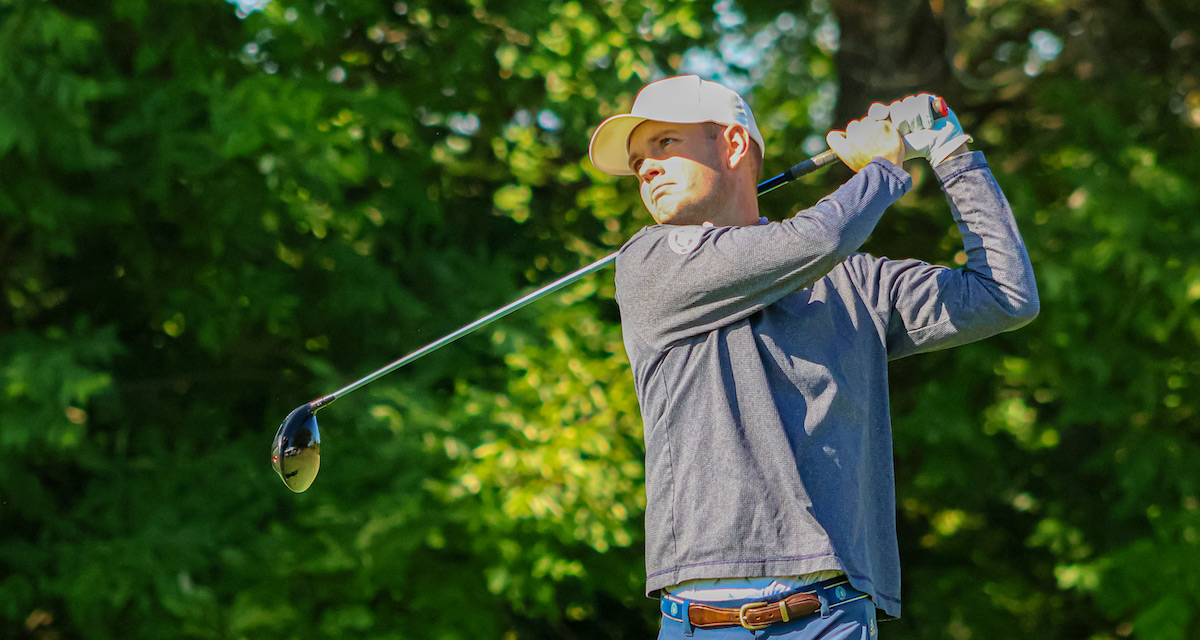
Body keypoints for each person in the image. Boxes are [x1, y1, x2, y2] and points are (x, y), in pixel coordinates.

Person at [587, 75, 1039, 638]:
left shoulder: (855, 282)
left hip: (826, 619)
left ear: (731, 145)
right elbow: (815, 240)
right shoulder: (648, 262)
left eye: (664, 145)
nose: (646, 169)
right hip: (697, 623)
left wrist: (952, 153)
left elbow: (1005, 296)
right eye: (637, 163)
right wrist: (881, 171)